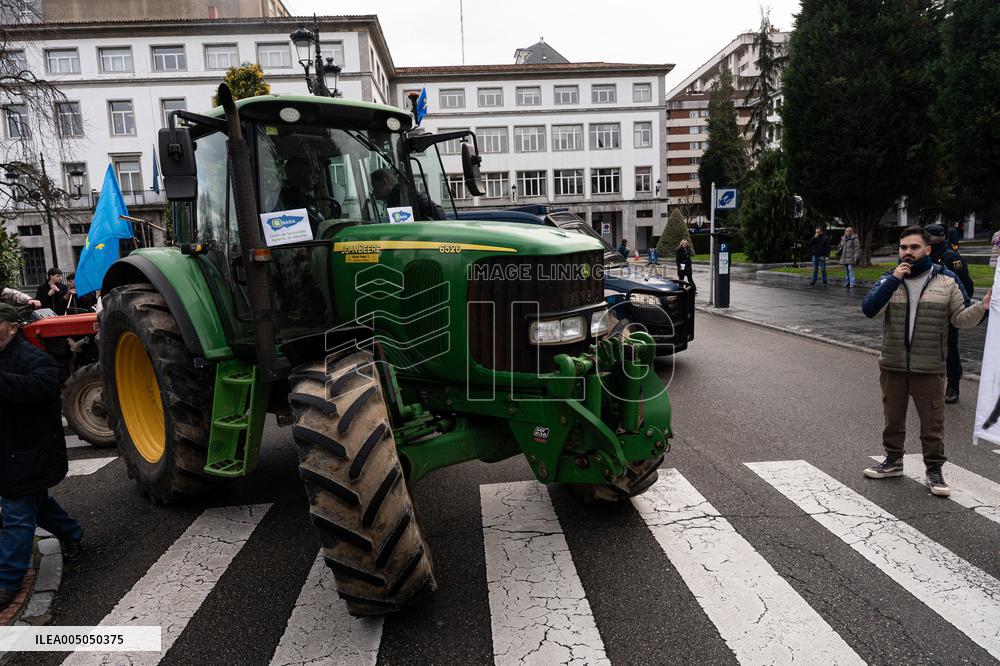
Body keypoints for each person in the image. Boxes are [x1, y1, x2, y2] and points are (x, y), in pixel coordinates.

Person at [861, 226, 991, 496]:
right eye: (903, 247)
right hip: (893, 364)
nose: (908, 252)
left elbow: (961, 318)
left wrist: (984, 307)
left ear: (927, 250)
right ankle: (893, 460)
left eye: (914, 247)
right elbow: (870, 310)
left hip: (929, 366)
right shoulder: (890, 279)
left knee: (932, 422)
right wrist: (893, 280)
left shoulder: (947, 280)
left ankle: (933, 469)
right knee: (892, 418)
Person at [0, 303, 83, 612]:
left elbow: (44, 386)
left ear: (12, 326)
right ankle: (72, 533)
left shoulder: (35, 359)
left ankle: (7, 580)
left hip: (29, 453)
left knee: (18, 513)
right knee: (34, 502)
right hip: (11, 454)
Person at [925, 223, 974, 404]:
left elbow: (967, 286)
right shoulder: (924, 254)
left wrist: (957, 307)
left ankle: (953, 386)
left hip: (947, 311)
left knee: (950, 349)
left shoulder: (950, 257)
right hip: (927, 310)